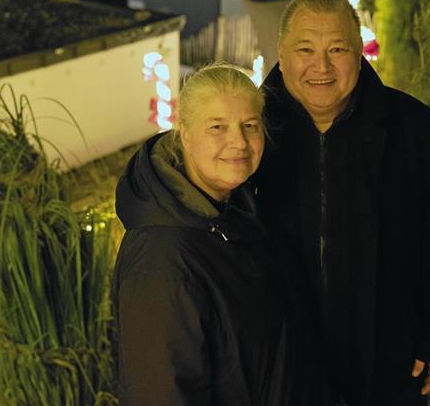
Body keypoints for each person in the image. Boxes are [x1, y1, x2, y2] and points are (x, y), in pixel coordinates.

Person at [253, 0, 430, 406]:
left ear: (360, 51)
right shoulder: (254, 129)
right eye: (305, 49)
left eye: (337, 49)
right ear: (281, 52)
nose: (321, 66)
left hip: (391, 351)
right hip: (285, 357)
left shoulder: (409, 124)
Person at [112, 64, 321, 405]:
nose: (238, 141)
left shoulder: (235, 213)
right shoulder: (162, 260)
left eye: (250, 126)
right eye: (217, 127)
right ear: (185, 134)